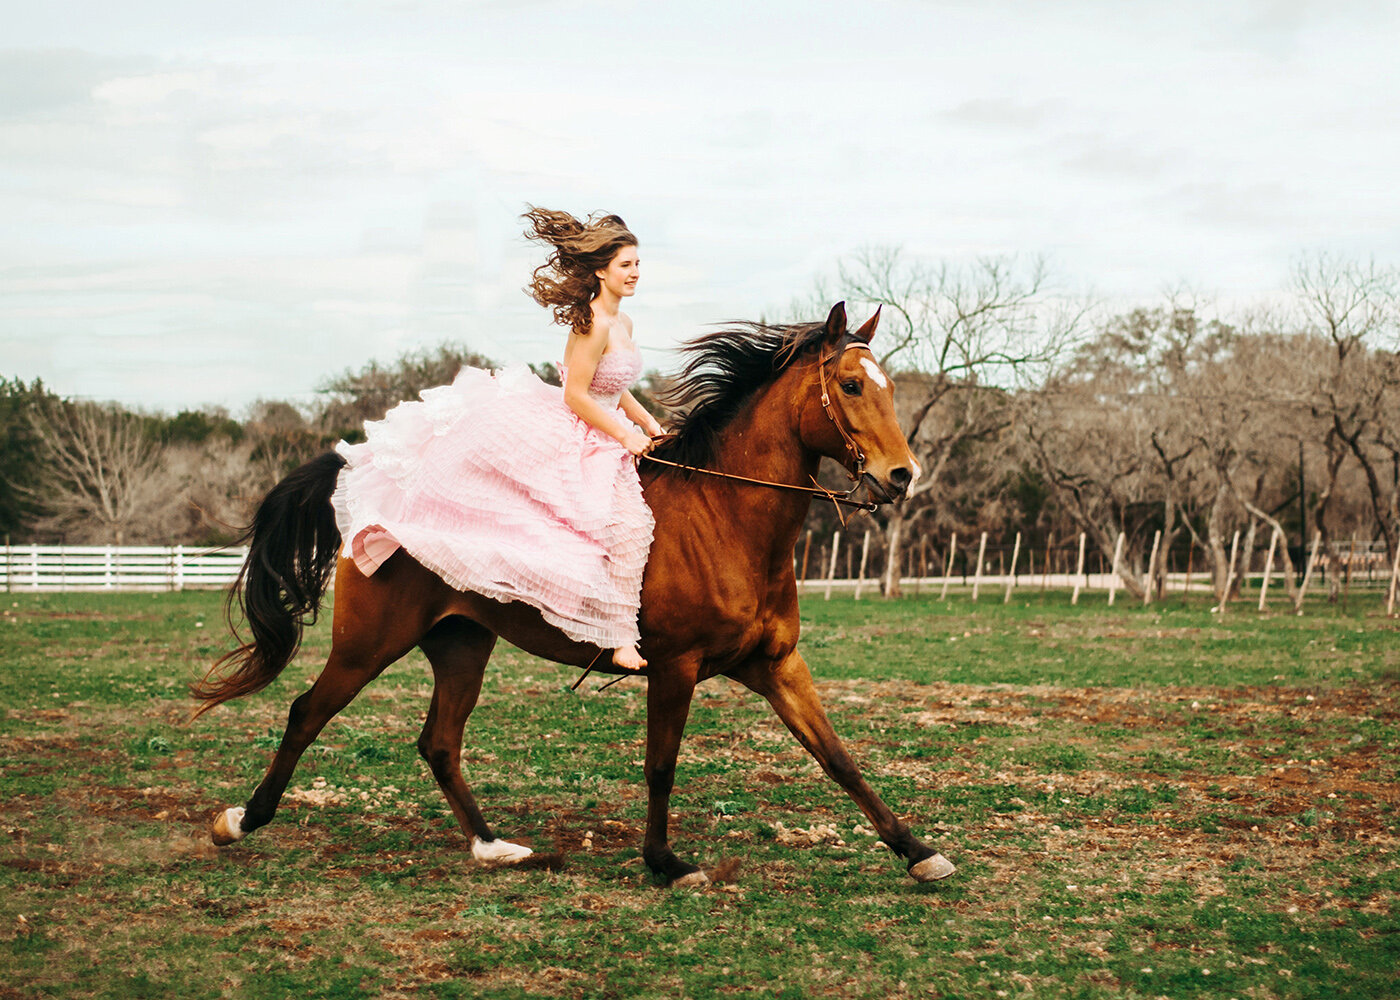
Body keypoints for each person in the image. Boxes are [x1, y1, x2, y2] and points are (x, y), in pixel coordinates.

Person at [330, 207, 662, 672]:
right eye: (626, 265)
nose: (635, 273)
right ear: (601, 270)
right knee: (626, 528)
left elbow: (614, 385)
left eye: (638, 264)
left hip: (610, 430)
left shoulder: (623, 324)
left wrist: (648, 423)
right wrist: (625, 436)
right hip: (580, 433)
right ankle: (621, 636)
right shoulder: (591, 323)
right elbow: (576, 396)